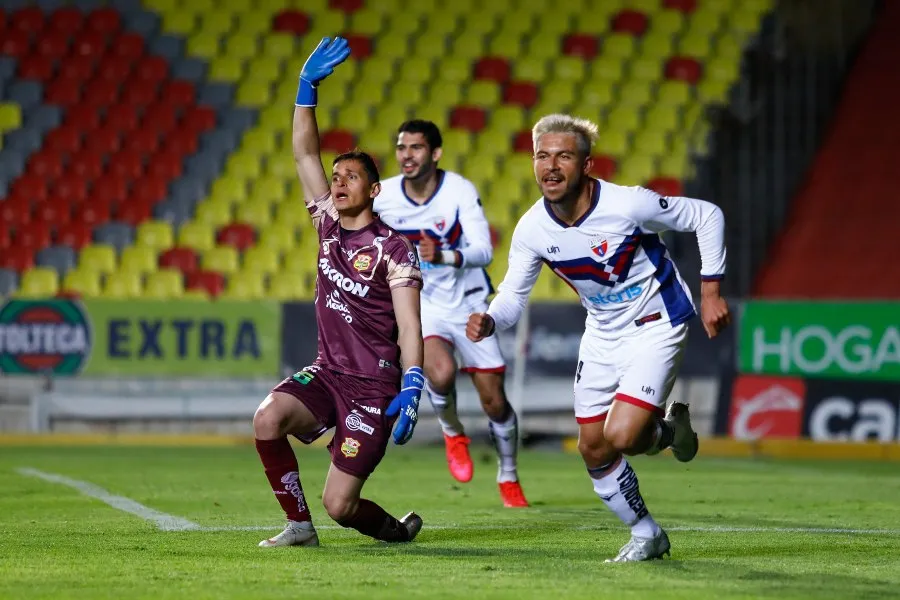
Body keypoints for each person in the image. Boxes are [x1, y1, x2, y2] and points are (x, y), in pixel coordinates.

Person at [467, 114, 731, 561]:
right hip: (602, 334)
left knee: (623, 436)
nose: (550, 166)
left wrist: (710, 293)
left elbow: (707, 215)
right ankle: (648, 532)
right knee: (592, 446)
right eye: (542, 155)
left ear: (587, 165)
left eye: (564, 156)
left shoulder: (629, 205)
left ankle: (660, 434)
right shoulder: (532, 229)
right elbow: (512, 295)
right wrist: (491, 319)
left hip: (657, 322)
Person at [252, 36, 426, 548]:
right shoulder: (327, 224)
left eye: (351, 176)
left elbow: (411, 326)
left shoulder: (395, 249)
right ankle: (299, 527)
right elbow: (304, 150)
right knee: (268, 418)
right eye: (336, 176)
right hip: (329, 375)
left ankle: (395, 531)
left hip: (373, 389)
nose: (339, 181)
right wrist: (306, 89)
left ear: (374, 190)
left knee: (341, 506)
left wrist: (413, 383)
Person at [373, 120, 529, 508]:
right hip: (425, 303)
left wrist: (442, 254)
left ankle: (508, 474)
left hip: (470, 301)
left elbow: (484, 251)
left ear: (435, 154)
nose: (407, 155)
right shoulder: (384, 196)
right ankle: (452, 432)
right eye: (401, 147)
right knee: (438, 372)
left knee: (494, 400)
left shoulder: (458, 190)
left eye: (416, 148)